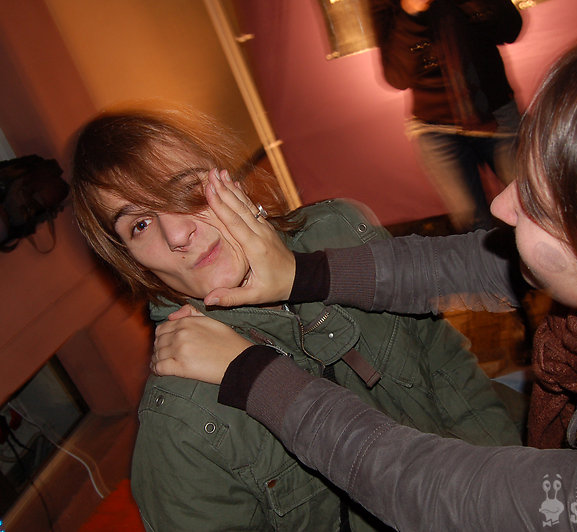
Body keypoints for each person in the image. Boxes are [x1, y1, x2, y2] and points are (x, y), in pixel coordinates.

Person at [151, 7, 577, 531]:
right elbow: (472, 263)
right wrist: (299, 274)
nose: (501, 205)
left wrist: (256, 377)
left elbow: (443, 493)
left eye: (539, 205)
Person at [70, 107, 524, 531]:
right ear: (129, 259)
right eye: (139, 225)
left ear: (226, 174)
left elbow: (449, 373)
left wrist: (507, 490)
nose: (177, 233)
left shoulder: (341, 231)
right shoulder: (182, 427)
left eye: (184, 187)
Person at [370, 0, 523, 230]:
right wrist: (411, 15)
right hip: (435, 129)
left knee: (533, 205)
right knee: (472, 225)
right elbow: (397, 77)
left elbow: (510, 29)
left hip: (497, 113)